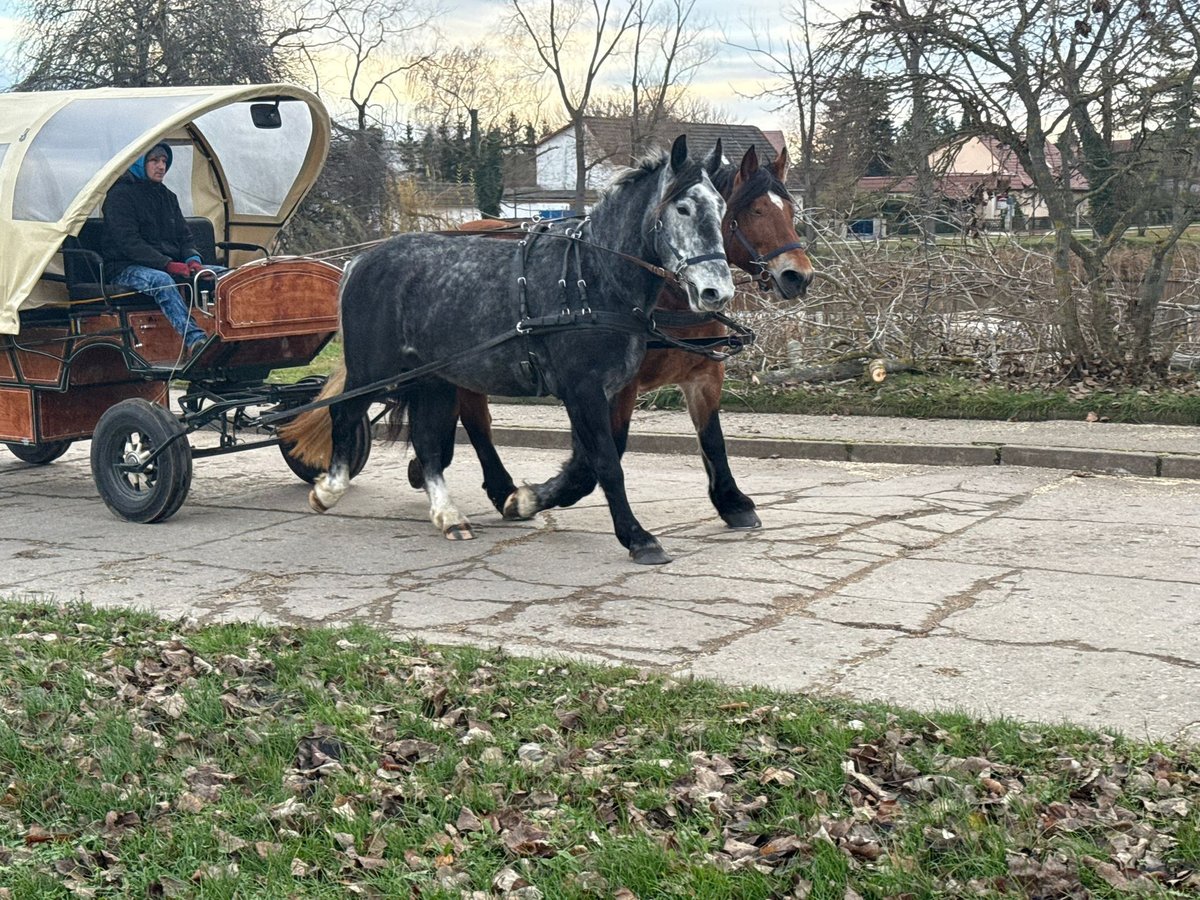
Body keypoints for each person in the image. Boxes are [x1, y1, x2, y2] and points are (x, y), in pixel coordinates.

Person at [101, 142, 211, 353]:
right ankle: (196, 341)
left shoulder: (168, 197)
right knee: (161, 281)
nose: (161, 166)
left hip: (167, 265)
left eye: (164, 161)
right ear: (139, 162)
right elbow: (128, 243)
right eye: (154, 160)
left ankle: (234, 336)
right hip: (125, 267)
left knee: (224, 275)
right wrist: (167, 264)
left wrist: (192, 261)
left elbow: (184, 237)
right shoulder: (119, 196)